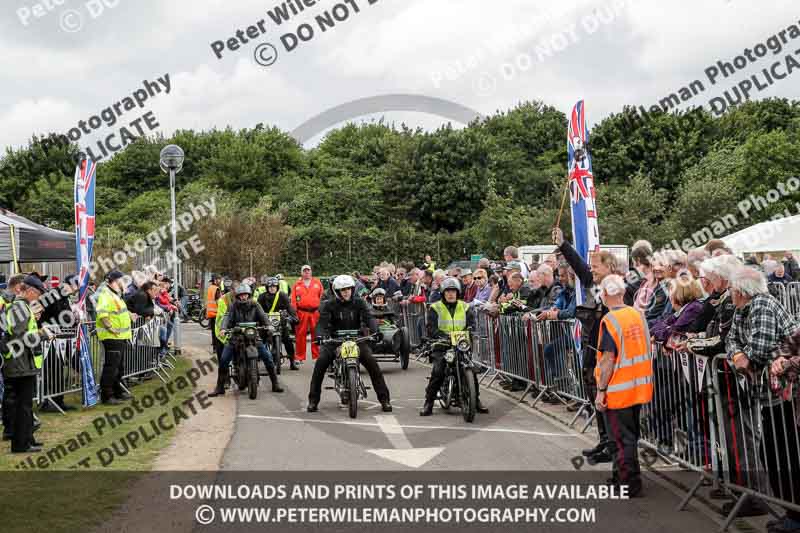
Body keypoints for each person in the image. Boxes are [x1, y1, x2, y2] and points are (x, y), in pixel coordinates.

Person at [553, 226, 619, 464]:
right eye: (591, 265)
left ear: (610, 267)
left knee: (607, 401)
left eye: (596, 265)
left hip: (607, 354)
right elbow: (580, 268)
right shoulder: (594, 283)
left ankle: (614, 446)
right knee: (594, 397)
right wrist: (563, 245)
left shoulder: (618, 289)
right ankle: (604, 441)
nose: (591, 269)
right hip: (592, 350)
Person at [594, 275, 653, 497]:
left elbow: (608, 358)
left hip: (618, 390)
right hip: (638, 386)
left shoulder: (610, 320)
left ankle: (629, 483)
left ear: (606, 294)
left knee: (620, 439)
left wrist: (601, 390)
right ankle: (621, 477)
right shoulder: (636, 315)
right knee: (628, 437)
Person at [307, 275, 392, 413]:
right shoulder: (329, 305)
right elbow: (322, 323)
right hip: (335, 340)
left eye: (348, 289)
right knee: (321, 363)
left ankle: (384, 400)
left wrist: (376, 332)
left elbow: (369, 317)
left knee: (372, 363)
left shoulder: (360, 303)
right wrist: (320, 336)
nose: (346, 292)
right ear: (337, 291)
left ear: (353, 289)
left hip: (356, 339)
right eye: (343, 289)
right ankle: (313, 400)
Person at [419, 277, 489, 416]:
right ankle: (429, 402)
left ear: (458, 293)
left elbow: (471, 323)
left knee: (471, 369)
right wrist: (442, 335)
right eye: (448, 291)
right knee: (438, 371)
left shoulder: (465, 306)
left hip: (461, 344)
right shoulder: (435, 307)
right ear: (443, 293)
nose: (451, 294)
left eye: (453, 291)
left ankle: (476, 399)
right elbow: (431, 328)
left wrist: (470, 330)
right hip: (443, 345)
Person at [1, 275, 54, 453]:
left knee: (25, 405)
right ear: (30, 291)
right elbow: (20, 338)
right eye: (38, 293)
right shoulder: (19, 308)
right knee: (22, 406)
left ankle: (27, 439)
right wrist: (41, 334)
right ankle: (20, 444)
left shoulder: (22, 307)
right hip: (18, 362)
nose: (39, 298)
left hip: (22, 362)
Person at [218, 284, 284, 394]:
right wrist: (223, 328)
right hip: (236, 336)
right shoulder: (233, 306)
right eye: (241, 295)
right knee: (224, 359)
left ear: (249, 295)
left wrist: (269, 325)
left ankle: (275, 384)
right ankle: (219, 386)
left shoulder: (255, 304)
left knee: (267, 357)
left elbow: (263, 316)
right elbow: (227, 317)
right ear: (238, 296)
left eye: (246, 295)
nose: (243, 297)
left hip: (253, 336)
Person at [95, 270, 134, 405]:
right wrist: (110, 328)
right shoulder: (106, 294)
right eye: (122, 281)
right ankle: (107, 395)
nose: (124, 283)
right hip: (112, 337)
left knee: (118, 366)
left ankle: (117, 391)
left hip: (119, 336)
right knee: (111, 367)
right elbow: (102, 314)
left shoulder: (115, 295)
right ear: (115, 281)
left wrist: (129, 315)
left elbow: (118, 311)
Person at [258, 277, 300, 371]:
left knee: (288, 340)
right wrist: (258, 319)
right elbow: (258, 309)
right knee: (260, 340)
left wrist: (294, 316)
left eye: (274, 286)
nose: (272, 288)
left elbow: (289, 307)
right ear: (267, 287)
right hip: (266, 323)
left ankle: (292, 361)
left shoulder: (283, 295)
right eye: (270, 286)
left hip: (280, 322)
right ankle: (256, 359)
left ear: (277, 287)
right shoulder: (262, 297)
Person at [209, 280, 239, 396]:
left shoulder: (246, 297)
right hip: (223, 333)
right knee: (223, 360)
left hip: (240, 332)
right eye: (235, 290)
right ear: (231, 290)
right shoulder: (223, 300)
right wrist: (224, 331)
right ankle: (222, 384)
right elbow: (222, 318)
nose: (238, 293)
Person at [293, 265, 324, 362]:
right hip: (302, 312)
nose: (306, 272)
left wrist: (322, 310)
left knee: (316, 334)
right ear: (301, 273)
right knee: (300, 335)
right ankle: (299, 357)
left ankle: (316, 356)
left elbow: (322, 297)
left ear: (311, 272)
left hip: (315, 312)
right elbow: (293, 300)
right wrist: (294, 313)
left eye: (308, 270)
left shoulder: (317, 283)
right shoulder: (297, 285)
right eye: (304, 271)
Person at [206, 274, 222, 355]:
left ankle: (215, 348)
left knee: (213, 332)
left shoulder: (210, 288)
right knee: (218, 332)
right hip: (216, 313)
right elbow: (218, 301)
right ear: (215, 280)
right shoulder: (216, 289)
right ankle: (217, 348)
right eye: (219, 279)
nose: (220, 281)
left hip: (210, 313)